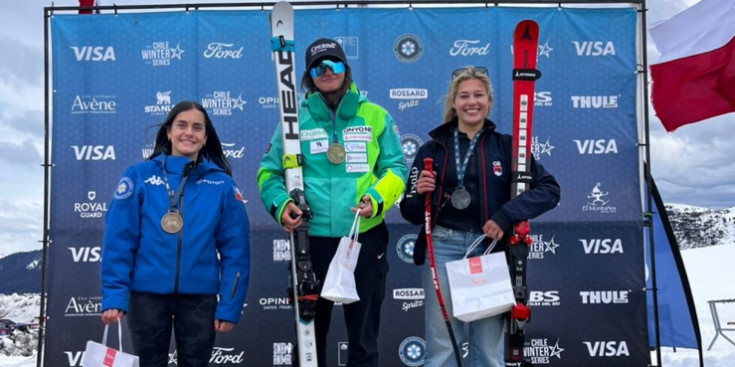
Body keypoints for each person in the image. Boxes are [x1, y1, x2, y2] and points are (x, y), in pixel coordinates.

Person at [257, 38, 407, 367]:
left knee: (364, 339)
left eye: (334, 64)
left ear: (346, 70)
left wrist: (377, 198)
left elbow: (396, 168)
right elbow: (268, 174)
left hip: (363, 236)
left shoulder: (375, 115)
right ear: (309, 75)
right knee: (308, 340)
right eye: (319, 67)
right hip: (310, 242)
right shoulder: (293, 120)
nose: (328, 71)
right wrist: (282, 205)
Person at [399, 66, 560, 367]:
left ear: (488, 100)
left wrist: (505, 215)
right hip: (443, 247)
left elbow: (549, 189)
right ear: (453, 102)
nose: (471, 102)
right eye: (464, 96)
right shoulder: (431, 150)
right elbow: (409, 212)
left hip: (489, 251)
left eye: (478, 95)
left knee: (487, 349)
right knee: (443, 346)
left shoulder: (507, 146)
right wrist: (420, 193)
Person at [100, 100, 251, 367]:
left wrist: (229, 304)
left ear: (205, 138)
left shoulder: (222, 184)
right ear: (169, 131)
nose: (188, 133)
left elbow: (236, 251)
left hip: (199, 300)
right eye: (181, 125)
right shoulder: (139, 176)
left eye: (197, 128)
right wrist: (114, 295)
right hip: (145, 297)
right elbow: (119, 241)